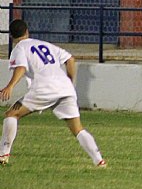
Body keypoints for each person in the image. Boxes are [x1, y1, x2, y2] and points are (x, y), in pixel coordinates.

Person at [0, 19, 105, 167]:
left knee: (11, 114)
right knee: (77, 128)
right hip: (65, 88)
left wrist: (10, 86)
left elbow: (21, 68)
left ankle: (3, 155)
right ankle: (99, 160)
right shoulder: (45, 44)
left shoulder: (19, 49)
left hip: (44, 88)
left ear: (11, 36)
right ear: (27, 31)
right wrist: (68, 81)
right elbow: (70, 60)